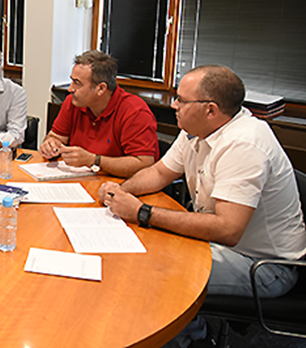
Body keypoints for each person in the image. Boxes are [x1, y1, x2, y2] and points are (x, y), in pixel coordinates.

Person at [99, 65, 306, 346]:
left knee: (154, 275)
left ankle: (191, 339)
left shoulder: (244, 144)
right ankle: (193, 330)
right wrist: (119, 192)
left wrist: (141, 212)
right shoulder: (196, 131)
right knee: (145, 252)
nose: (174, 105)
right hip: (220, 247)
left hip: (263, 266)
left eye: (182, 100)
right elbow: (159, 173)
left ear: (211, 110)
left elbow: (227, 229)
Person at [39, 50, 158, 177]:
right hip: (77, 181)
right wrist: (51, 145)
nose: (70, 89)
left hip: (118, 186)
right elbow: (56, 136)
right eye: (72, 81)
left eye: (77, 83)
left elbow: (144, 164)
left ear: (101, 88)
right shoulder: (73, 103)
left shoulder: (134, 111)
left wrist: (94, 160)